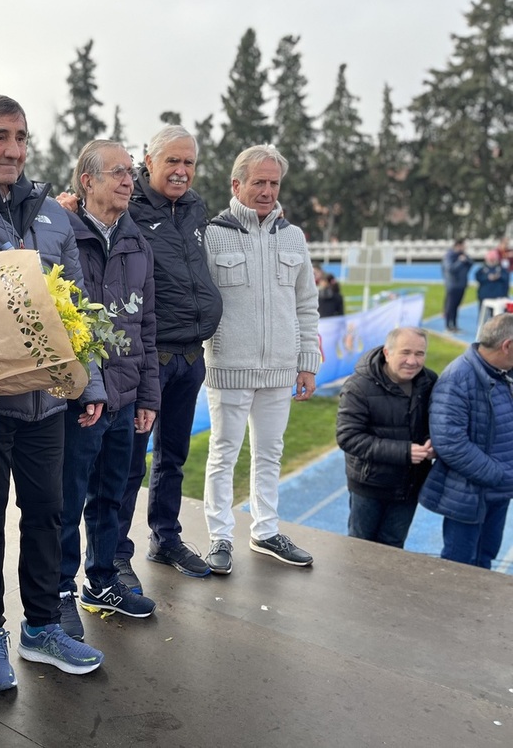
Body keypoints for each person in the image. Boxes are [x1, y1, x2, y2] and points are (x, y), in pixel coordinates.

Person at [0, 94, 106, 690]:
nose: (14, 149)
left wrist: (88, 379)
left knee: (46, 515)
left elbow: (80, 304)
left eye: (21, 137)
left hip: (48, 405)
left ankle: (41, 627)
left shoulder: (49, 210)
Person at [55, 140, 159, 642]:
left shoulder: (138, 242)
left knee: (113, 497)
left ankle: (102, 582)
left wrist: (148, 397)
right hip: (78, 400)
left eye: (131, 173)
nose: (128, 180)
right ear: (86, 181)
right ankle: (58, 594)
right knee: (67, 501)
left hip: (125, 397)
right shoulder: (61, 235)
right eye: (117, 172)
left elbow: (148, 325)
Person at [201, 144, 321, 574]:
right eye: (259, 182)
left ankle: (265, 530)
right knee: (224, 453)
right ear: (237, 185)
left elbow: (307, 303)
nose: (268, 191)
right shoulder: (211, 233)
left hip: (281, 369)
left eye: (274, 183)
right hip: (229, 367)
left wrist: (306, 361)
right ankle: (219, 537)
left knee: (270, 452)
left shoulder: (294, 236)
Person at [114, 125, 223, 593]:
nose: (181, 171)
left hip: (190, 355)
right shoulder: (128, 205)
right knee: (128, 462)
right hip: (149, 359)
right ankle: (115, 556)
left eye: (189, 163)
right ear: (148, 160)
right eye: (172, 161)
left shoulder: (195, 206)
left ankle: (165, 536)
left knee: (173, 456)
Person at [419, 313, 513, 569]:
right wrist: (500, 474)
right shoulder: (457, 378)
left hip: (497, 492)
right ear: (507, 345)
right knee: (459, 565)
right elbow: (450, 443)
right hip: (471, 493)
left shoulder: (503, 372)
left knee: (485, 558)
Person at [336, 327, 437, 548]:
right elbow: (348, 437)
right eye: (405, 352)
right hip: (369, 485)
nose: (412, 361)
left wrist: (433, 443)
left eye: (419, 354)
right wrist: (405, 451)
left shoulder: (429, 381)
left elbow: (437, 423)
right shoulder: (358, 387)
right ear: (387, 353)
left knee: (394, 546)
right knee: (361, 546)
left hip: (409, 485)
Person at [442, 237, 471, 332]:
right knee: (450, 306)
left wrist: (465, 259)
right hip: (453, 285)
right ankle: (448, 325)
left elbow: (471, 263)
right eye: (463, 245)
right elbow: (450, 269)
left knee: (457, 306)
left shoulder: (463, 255)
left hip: (461, 284)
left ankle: (454, 325)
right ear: (458, 245)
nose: (465, 247)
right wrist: (460, 261)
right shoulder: (449, 256)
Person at [474, 249, 509, 314]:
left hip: (499, 298)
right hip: (485, 297)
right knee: (484, 316)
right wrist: (487, 277)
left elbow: (506, 280)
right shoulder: (482, 270)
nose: (492, 261)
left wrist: (498, 277)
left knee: (499, 317)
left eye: (493, 259)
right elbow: (478, 278)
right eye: (490, 259)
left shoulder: (502, 270)